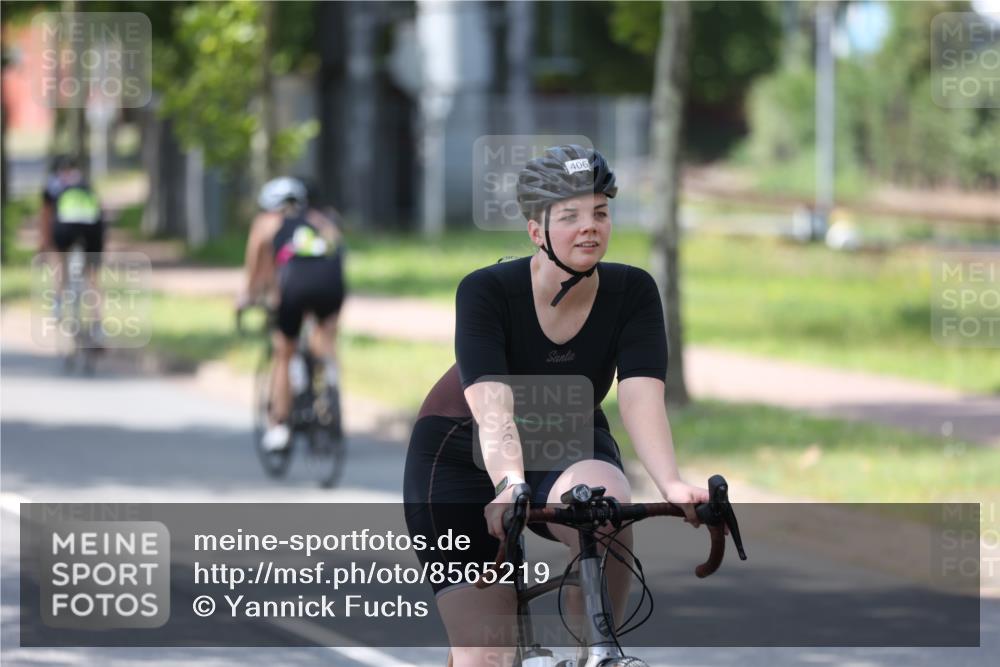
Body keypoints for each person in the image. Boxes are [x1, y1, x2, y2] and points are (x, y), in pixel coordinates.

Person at [403, 144, 710, 666]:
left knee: (606, 505)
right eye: (570, 216)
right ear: (535, 230)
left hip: (564, 432)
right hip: (463, 451)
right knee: (488, 656)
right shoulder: (486, 291)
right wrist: (508, 481)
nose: (589, 227)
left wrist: (671, 483)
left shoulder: (633, 291)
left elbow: (639, 396)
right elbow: (492, 401)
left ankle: (594, 651)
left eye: (600, 212)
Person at [238, 176, 346, 451]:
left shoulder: (265, 223)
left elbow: (256, 273)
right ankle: (329, 377)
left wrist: (247, 299)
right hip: (331, 285)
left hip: (294, 288)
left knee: (283, 352)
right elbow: (337, 253)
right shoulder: (322, 219)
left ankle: (280, 427)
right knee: (324, 336)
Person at [39, 155, 105, 335]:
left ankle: (58, 304)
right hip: (92, 228)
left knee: (59, 263)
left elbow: (46, 217)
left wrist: (45, 245)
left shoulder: (53, 185)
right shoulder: (85, 184)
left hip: (65, 227)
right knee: (92, 277)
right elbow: (99, 212)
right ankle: (98, 325)